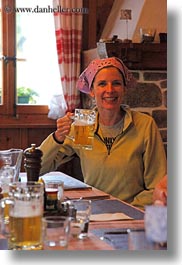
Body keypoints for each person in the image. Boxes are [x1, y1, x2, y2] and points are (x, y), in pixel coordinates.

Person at [39, 57, 167, 210]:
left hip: (132, 212)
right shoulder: (84, 125)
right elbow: (39, 168)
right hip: (93, 211)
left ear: (124, 89)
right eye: (102, 84)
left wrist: (128, 209)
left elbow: (157, 185)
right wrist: (57, 138)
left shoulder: (144, 125)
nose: (110, 90)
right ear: (92, 91)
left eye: (116, 83)